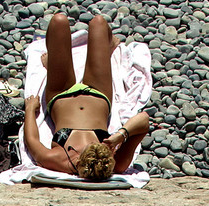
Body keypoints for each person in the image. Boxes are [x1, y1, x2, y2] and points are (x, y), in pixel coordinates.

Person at [24, 12, 150, 181]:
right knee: (99, 22)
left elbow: (32, 140)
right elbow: (143, 120)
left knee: (58, 21)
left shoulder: (59, 160)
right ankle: (109, 46)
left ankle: (53, 66)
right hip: (98, 92)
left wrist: (30, 109)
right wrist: (121, 135)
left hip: (61, 94)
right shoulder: (116, 163)